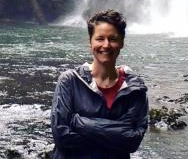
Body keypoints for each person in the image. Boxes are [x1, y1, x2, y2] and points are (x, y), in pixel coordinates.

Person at [51, 9, 149, 159]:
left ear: (122, 42)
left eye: (113, 39)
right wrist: (115, 136)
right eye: (100, 38)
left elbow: (132, 141)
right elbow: (61, 137)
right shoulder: (70, 81)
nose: (106, 45)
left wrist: (80, 123)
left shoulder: (135, 88)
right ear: (90, 42)